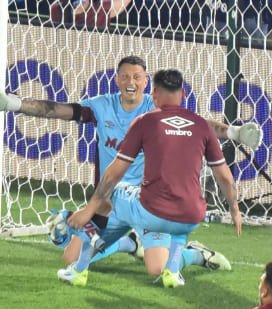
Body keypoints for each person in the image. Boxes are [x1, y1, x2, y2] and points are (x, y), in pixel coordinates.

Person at [0, 56, 259, 287]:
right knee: (70, 257)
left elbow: (201, 124)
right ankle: (128, 242)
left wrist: (234, 132)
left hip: (151, 203)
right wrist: (13, 104)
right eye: (125, 76)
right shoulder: (101, 106)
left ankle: (196, 255)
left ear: (146, 83)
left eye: (137, 77)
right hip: (113, 201)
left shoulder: (156, 109)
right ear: (117, 80)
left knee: (155, 269)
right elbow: (56, 110)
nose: (131, 82)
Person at [67, 68, 242, 289]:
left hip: (151, 212)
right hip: (191, 217)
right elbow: (225, 177)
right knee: (177, 225)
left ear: (154, 94)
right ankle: (158, 259)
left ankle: (80, 270)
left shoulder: (145, 121)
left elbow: (114, 172)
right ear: (184, 95)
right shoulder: (202, 125)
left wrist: (89, 210)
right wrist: (235, 210)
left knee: (115, 189)